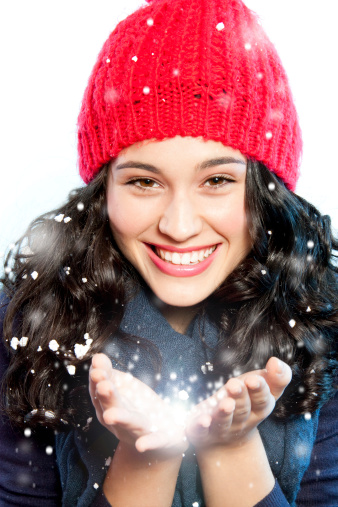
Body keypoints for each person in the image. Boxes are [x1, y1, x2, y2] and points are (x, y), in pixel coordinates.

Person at [0, 0, 337, 505]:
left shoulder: (323, 321)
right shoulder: (25, 322)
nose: (178, 227)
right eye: (143, 181)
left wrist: (231, 448)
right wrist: (144, 458)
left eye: (218, 180)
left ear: (268, 191)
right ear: (103, 190)